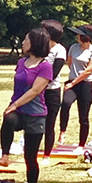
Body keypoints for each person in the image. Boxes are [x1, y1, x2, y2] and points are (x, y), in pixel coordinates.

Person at [0, 28, 53, 183]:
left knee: (30, 157)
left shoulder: (45, 66)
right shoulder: (21, 62)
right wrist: (14, 106)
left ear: (35, 43)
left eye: (26, 39)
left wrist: (15, 104)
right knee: (9, 119)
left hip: (36, 115)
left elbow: (35, 91)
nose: (22, 42)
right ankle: (5, 156)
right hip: (19, 112)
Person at [58, 24, 92, 153]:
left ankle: (82, 144)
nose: (76, 36)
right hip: (72, 83)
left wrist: (75, 81)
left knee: (84, 116)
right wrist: (72, 80)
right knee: (65, 103)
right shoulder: (73, 48)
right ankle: (62, 132)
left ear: (85, 37)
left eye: (79, 34)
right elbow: (70, 63)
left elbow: (88, 71)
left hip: (85, 85)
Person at [40, 19, 67, 165]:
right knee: (35, 122)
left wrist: (40, 85)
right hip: (36, 91)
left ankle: (47, 155)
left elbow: (54, 72)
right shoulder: (40, 47)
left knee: (49, 124)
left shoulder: (60, 50)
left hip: (52, 92)